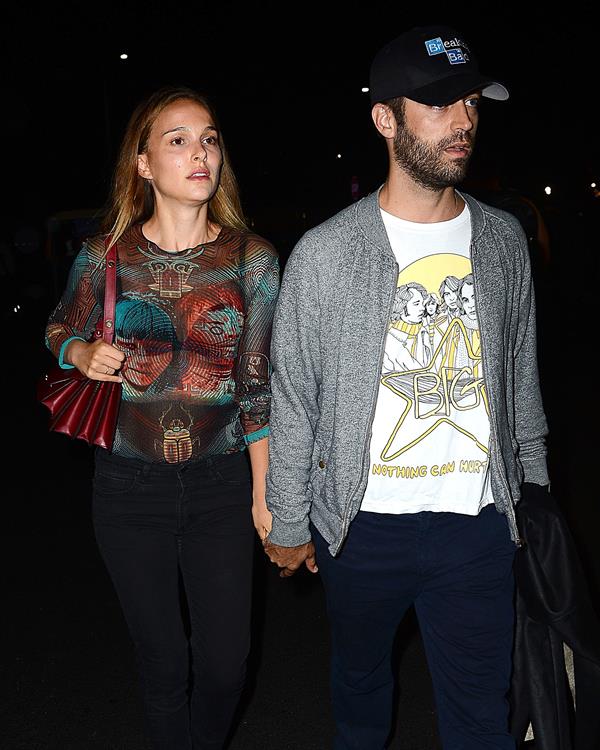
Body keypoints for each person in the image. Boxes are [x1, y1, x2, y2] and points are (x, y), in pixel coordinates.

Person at [263, 25, 549, 750]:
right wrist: (292, 520)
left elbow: (520, 379)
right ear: (385, 119)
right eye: (439, 104)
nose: (464, 121)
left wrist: (534, 499)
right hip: (363, 529)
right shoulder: (327, 253)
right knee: (361, 690)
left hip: (477, 523)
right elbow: (294, 394)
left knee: (484, 712)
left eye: (472, 102)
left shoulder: (503, 239)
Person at [45, 86, 279, 750]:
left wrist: (266, 493)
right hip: (126, 488)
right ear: (144, 163)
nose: (199, 152)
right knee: (163, 666)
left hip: (221, 488)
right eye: (177, 140)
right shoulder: (106, 254)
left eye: (208, 138)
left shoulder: (251, 259)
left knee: (228, 667)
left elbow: (257, 384)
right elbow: (59, 323)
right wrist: (80, 349)